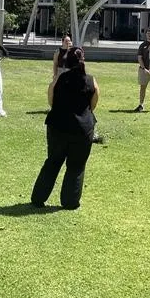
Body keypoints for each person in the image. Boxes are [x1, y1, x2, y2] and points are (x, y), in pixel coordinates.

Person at [31, 47, 99, 209]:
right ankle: (70, 201)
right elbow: (93, 104)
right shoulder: (91, 81)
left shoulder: (59, 79)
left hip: (58, 127)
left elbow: (51, 101)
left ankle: (38, 198)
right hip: (82, 129)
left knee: (53, 162)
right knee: (76, 166)